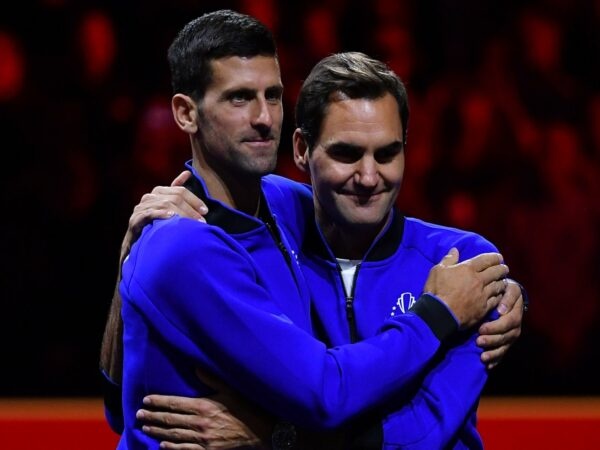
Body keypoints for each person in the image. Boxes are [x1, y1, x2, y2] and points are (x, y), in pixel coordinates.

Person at [102, 10, 518, 449]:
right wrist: (438, 313)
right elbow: (326, 395)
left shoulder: (282, 207)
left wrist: (512, 293)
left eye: (274, 96)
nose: (264, 118)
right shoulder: (182, 246)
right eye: (239, 98)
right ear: (186, 113)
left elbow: (116, 401)